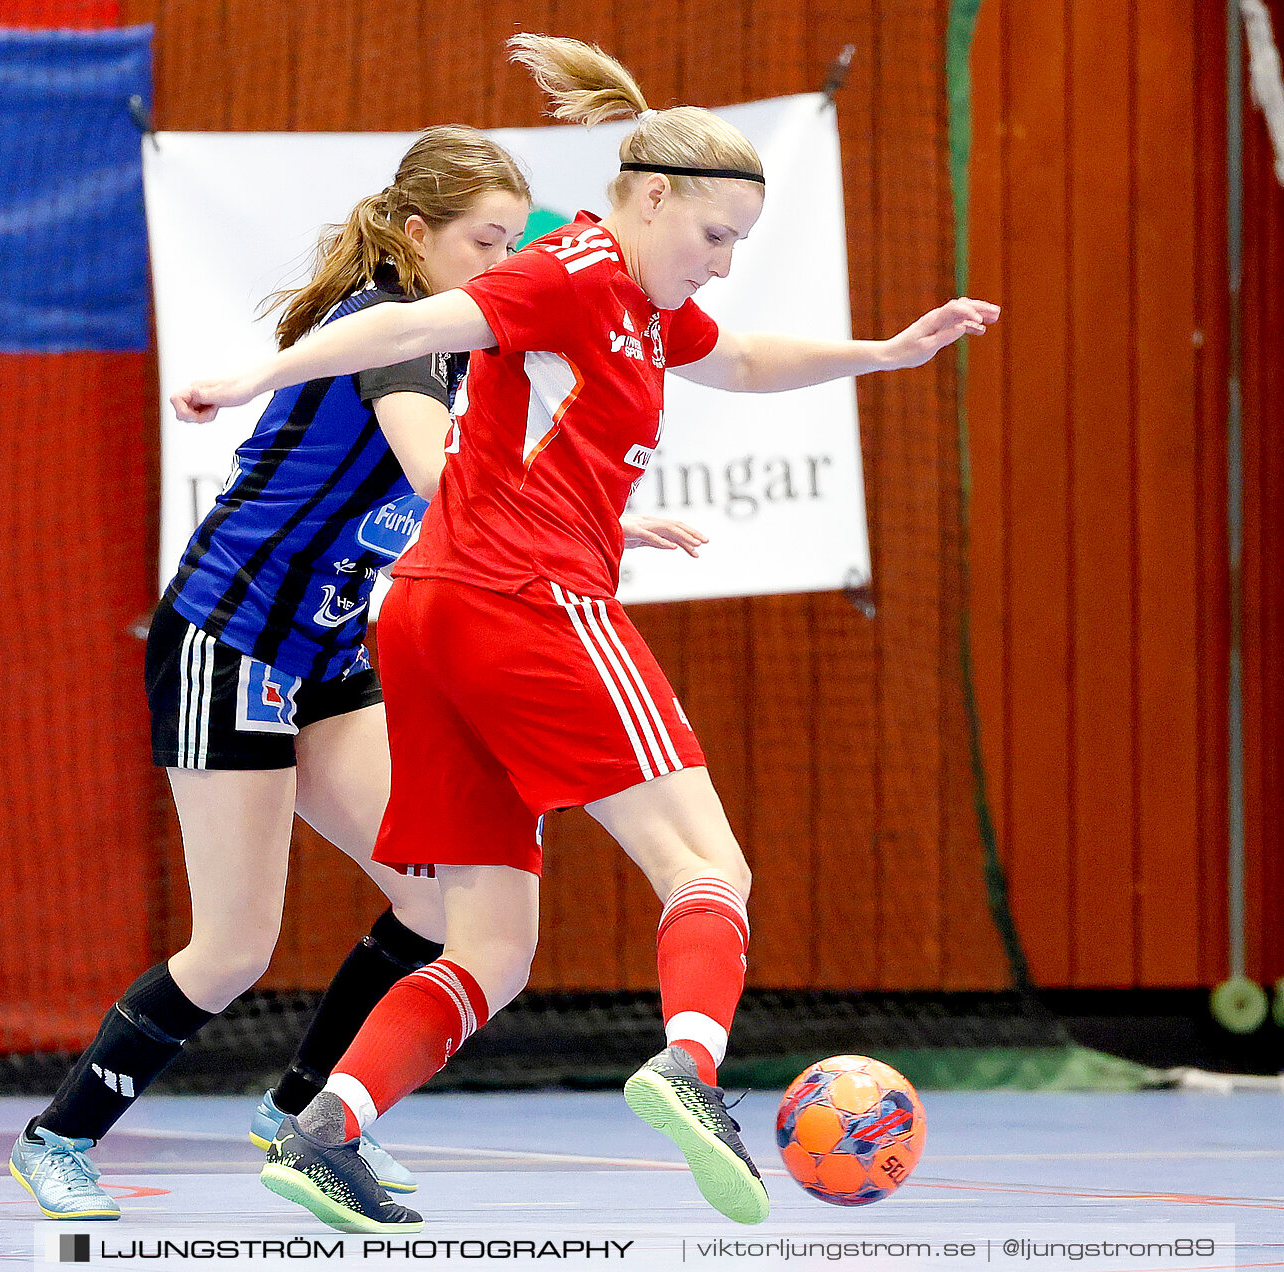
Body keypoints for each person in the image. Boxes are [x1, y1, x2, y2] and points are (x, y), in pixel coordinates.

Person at [171, 34, 999, 1235]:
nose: (720, 269)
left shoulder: (641, 305)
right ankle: (690, 1073)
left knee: (491, 948)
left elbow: (750, 357)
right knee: (710, 869)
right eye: (714, 239)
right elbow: (409, 325)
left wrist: (884, 352)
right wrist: (255, 378)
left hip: (431, 620)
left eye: (741, 250)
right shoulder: (573, 268)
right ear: (650, 197)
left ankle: (326, 1129)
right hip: (524, 602)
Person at [15, 126, 546, 1222]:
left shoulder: (455, 346)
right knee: (235, 945)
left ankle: (300, 1113)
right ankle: (57, 1137)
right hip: (232, 639)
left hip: (325, 654)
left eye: (513, 244)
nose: (499, 265)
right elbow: (441, 480)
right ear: (417, 236)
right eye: (482, 242)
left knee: (438, 893)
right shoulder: (393, 336)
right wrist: (586, 533)